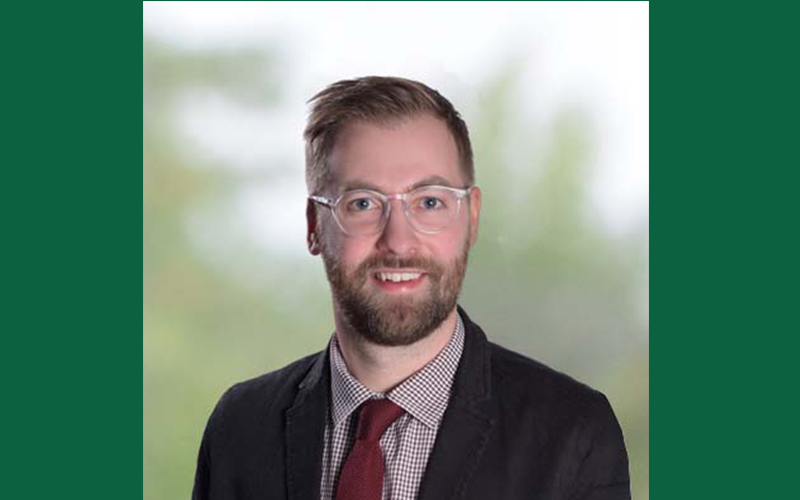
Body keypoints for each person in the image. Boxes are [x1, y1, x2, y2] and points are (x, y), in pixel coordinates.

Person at [192, 76, 630, 500]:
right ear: (314, 225)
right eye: (363, 203)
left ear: (472, 218)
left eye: (429, 202)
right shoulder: (240, 428)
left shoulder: (573, 434)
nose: (399, 241)